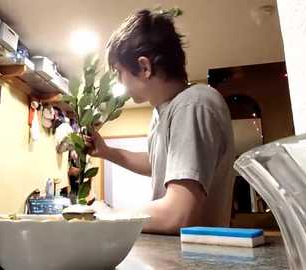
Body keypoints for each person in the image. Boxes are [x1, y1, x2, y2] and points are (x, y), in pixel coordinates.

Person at [86, 9, 236, 235]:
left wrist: (108, 215)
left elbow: (178, 214)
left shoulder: (192, 105)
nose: (119, 81)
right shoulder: (164, 112)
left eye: (119, 72)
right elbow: (161, 163)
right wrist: (107, 152)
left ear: (144, 67)